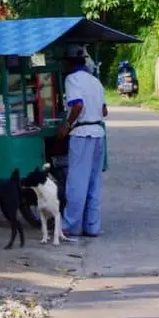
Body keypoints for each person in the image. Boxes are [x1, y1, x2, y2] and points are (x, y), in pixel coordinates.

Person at [57, 44, 108, 239]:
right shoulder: (95, 81)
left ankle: (70, 226)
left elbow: (77, 105)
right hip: (98, 134)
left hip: (82, 134)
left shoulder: (72, 79)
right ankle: (92, 227)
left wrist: (67, 125)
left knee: (76, 182)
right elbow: (104, 111)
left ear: (69, 63)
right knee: (93, 183)